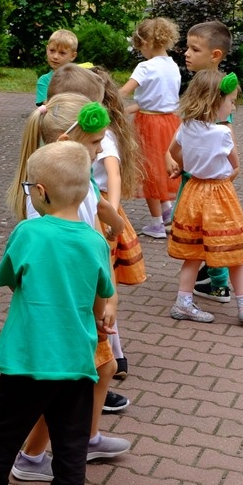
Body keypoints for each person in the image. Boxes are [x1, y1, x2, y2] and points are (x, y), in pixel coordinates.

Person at [0, 141, 116, 485]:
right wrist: (98, 318)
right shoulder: (95, 241)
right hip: (76, 359)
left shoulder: (29, 232)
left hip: (28, 356)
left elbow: (10, 278)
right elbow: (101, 296)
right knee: (71, 441)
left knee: (2, 431)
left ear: (40, 192)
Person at [5, 97, 130, 485]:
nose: (100, 149)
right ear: (66, 141)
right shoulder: (52, 201)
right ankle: (31, 456)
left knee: (102, 369)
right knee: (68, 383)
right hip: (71, 309)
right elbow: (76, 259)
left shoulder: (74, 182)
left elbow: (98, 216)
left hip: (82, 303)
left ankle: (85, 437)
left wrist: (114, 222)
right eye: (94, 142)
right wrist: (103, 301)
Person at [167, 70, 243, 325]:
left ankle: (183, 303)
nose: (232, 107)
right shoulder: (223, 134)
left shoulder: (186, 126)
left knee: (194, 252)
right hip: (219, 195)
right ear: (215, 101)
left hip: (193, 190)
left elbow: (174, 152)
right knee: (233, 250)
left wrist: (185, 166)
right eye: (231, 101)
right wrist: (223, 179)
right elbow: (235, 166)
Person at [90, 67, 146, 381]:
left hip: (98, 211)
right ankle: (116, 354)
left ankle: (112, 355)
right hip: (91, 206)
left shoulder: (104, 136)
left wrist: (110, 213)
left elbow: (113, 173)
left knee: (102, 285)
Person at [180, 21, 235, 303]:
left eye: (194, 49)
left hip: (205, 180)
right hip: (193, 173)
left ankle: (219, 283)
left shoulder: (218, 91)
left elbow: (227, 133)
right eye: (187, 47)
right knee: (201, 227)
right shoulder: (201, 84)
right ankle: (208, 272)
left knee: (210, 229)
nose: (186, 53)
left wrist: (229, 172)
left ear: (215, 55)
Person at [120, 17, 181, 239]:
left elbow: (124, 92)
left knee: (149, 172)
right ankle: (166, 213)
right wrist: (126, 111)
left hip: (148, 125)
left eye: (140, 48)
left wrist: (105, 99)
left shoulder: (145, 67)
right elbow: (156, 99)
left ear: (145, 43)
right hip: (170, 123)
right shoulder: (173, 66)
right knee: (162, 167)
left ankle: (156, 224)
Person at [35, 30, 85, 105]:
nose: (55, 57)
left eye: (62, 53)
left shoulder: (81, 79)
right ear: (47, 50)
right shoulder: (44, 81)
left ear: (73, 56)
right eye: (52, 50)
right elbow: (48, 105)